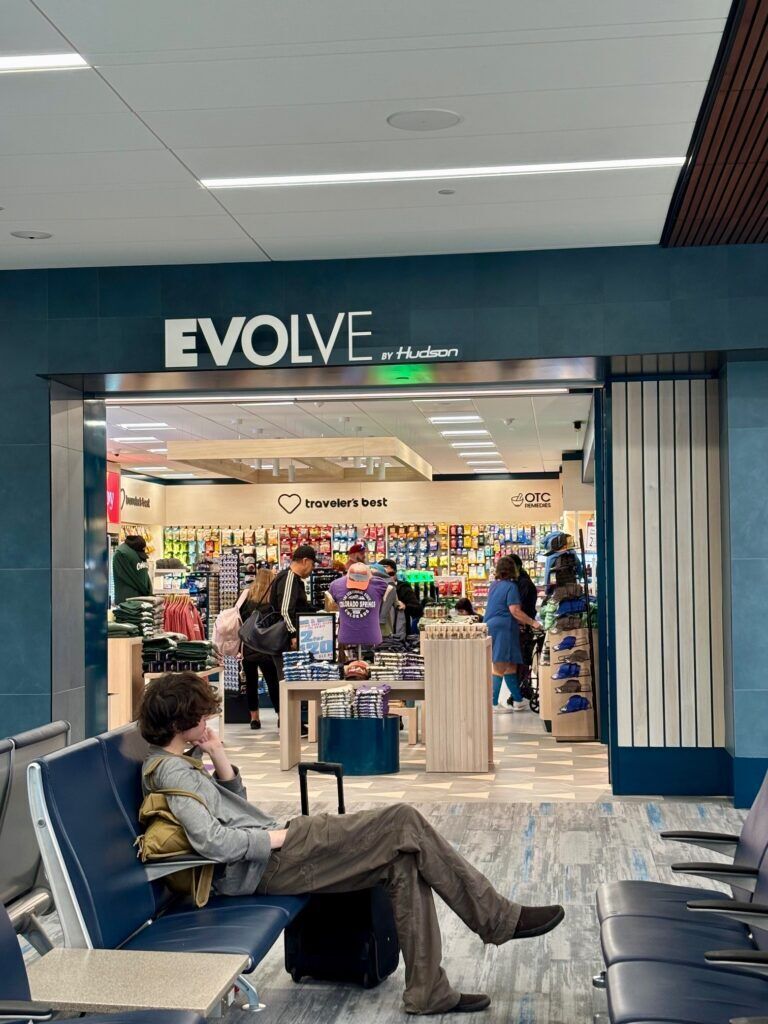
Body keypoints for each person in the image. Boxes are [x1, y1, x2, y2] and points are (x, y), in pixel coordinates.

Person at [138, 673, 565, 1016]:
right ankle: (496, 919)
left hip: (276, 849)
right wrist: (278, 837)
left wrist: (218, 755)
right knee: (403, 820)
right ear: (179, 723)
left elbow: (235, 810)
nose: (209, 722)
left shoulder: (182, 761)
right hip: (273, 859)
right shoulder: (172, 773)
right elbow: (214, 842)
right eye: (202, 717)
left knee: (402, 863)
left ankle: (428, 992)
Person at [484, 556, 542, 713]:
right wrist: (533, 622)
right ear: (514, 569)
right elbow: (515, 611)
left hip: (492, 626)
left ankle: (517, 700)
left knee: (510, 665)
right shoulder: (511, 587)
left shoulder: (494, 585)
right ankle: (493, 704)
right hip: (504, 628)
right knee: (499, 666)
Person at [238, 568, 280, 730]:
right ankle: (280, 716)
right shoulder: (273, 600)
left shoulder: (247, 597)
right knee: (272, 682)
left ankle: (254, 718)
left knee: (251, 682)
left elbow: (239, 618)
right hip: (266, 646)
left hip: (249, 646)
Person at [328, 562, 393, 650]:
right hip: (346, 635)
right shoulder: (335, 585)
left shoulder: (380, 585)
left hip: (371, 635)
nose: (357, 584)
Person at [379, 558, 423, 638]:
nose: (387, 577)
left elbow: (418, 610)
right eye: (383, 574)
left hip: (399, 636)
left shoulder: (403, 587)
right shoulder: (375, 588)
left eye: (390, 574)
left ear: (395, 573)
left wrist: (405, 606)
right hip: (379, 634)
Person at [112, 535, 153, 604]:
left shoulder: (138, 555)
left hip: (141, 600)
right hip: (128, 602)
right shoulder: (122, 554)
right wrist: (147, 591)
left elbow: (145, 575)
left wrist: (149, 590)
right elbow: (130, 578)